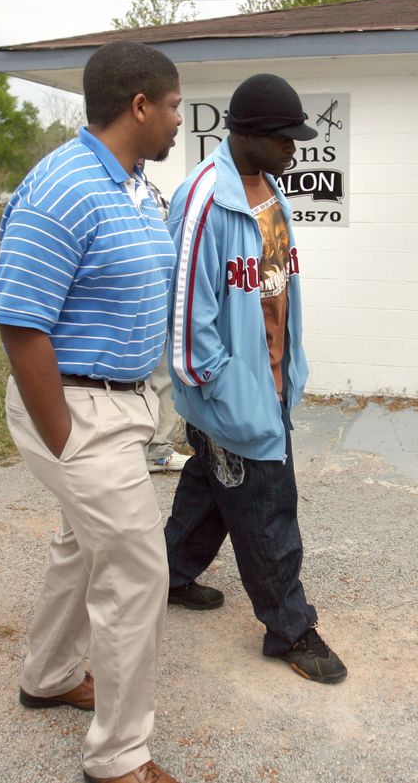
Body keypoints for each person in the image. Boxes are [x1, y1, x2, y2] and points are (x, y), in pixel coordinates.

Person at [0, 41, 184, 783]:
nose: (177, 119)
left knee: (83, 544)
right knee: (138, 568)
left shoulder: (133, 185)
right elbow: (20, 322)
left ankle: (46, 675)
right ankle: (118, 756)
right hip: (72, 407)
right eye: (171, 105)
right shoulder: (62, 187)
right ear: (139, 105)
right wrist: (67, 437)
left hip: (120, 406)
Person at [162, 73, 347, 684]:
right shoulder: (204, 199)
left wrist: (284, 373)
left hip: (269, 382)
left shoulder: (268, 191)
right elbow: (188, 314)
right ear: (249, 134)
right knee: (268, 507)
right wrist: (222, 392)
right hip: (233, 394)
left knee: (213, 486)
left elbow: (275, 291)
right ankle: (290, 628)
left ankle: (168, 573)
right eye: (285, 139)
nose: (294, 150)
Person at [140, 165, 191, 475]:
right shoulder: (112, 188)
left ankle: (157, 448)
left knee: (162, 375)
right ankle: (150, 449)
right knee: (152, 376)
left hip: (160, 296)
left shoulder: (148, 189)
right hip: (141, 300)